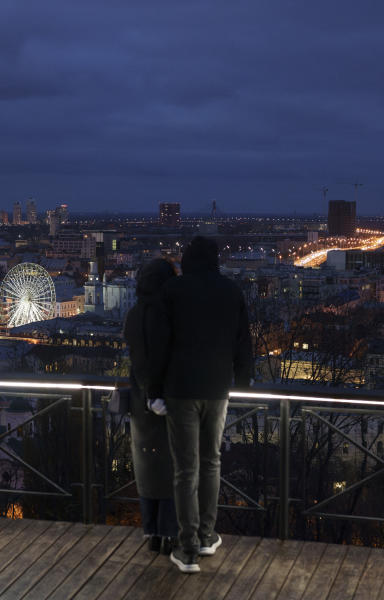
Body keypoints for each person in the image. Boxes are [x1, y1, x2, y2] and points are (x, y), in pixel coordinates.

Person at [146, 236, 253, 574]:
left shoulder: (173, 292)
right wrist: (243, 381)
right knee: (211, 463)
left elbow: (159, 345)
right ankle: (206, 536)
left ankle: (187, 548)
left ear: (187, 260)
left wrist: (154, 390)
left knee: (185, 469)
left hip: (180, 391)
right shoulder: (231, 292)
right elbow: (243, 343)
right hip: (218, 389)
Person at [122, 258, 178, 554]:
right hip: (168, 402)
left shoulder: (134, 315)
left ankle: (152, 532)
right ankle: (170, 533)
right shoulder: (170, 315)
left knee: (147, 472)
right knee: (173, 470)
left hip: (139, 406)